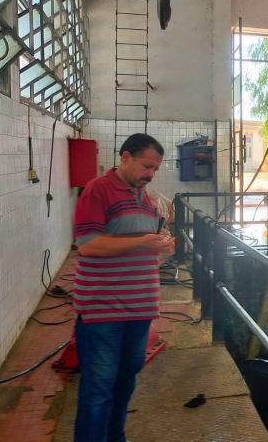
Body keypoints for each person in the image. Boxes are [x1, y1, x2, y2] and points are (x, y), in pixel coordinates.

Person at [72, 133, 175, 442]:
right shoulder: (98, 190)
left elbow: (140, 245)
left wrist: (162, 245)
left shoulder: (145, 198)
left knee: (125, 380)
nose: (150, 174)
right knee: (99, 386)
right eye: (147, 166)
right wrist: (143, 242)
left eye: (155, 169)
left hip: (140, 307)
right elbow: (87, 244)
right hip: (103, 308)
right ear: (125, 157)